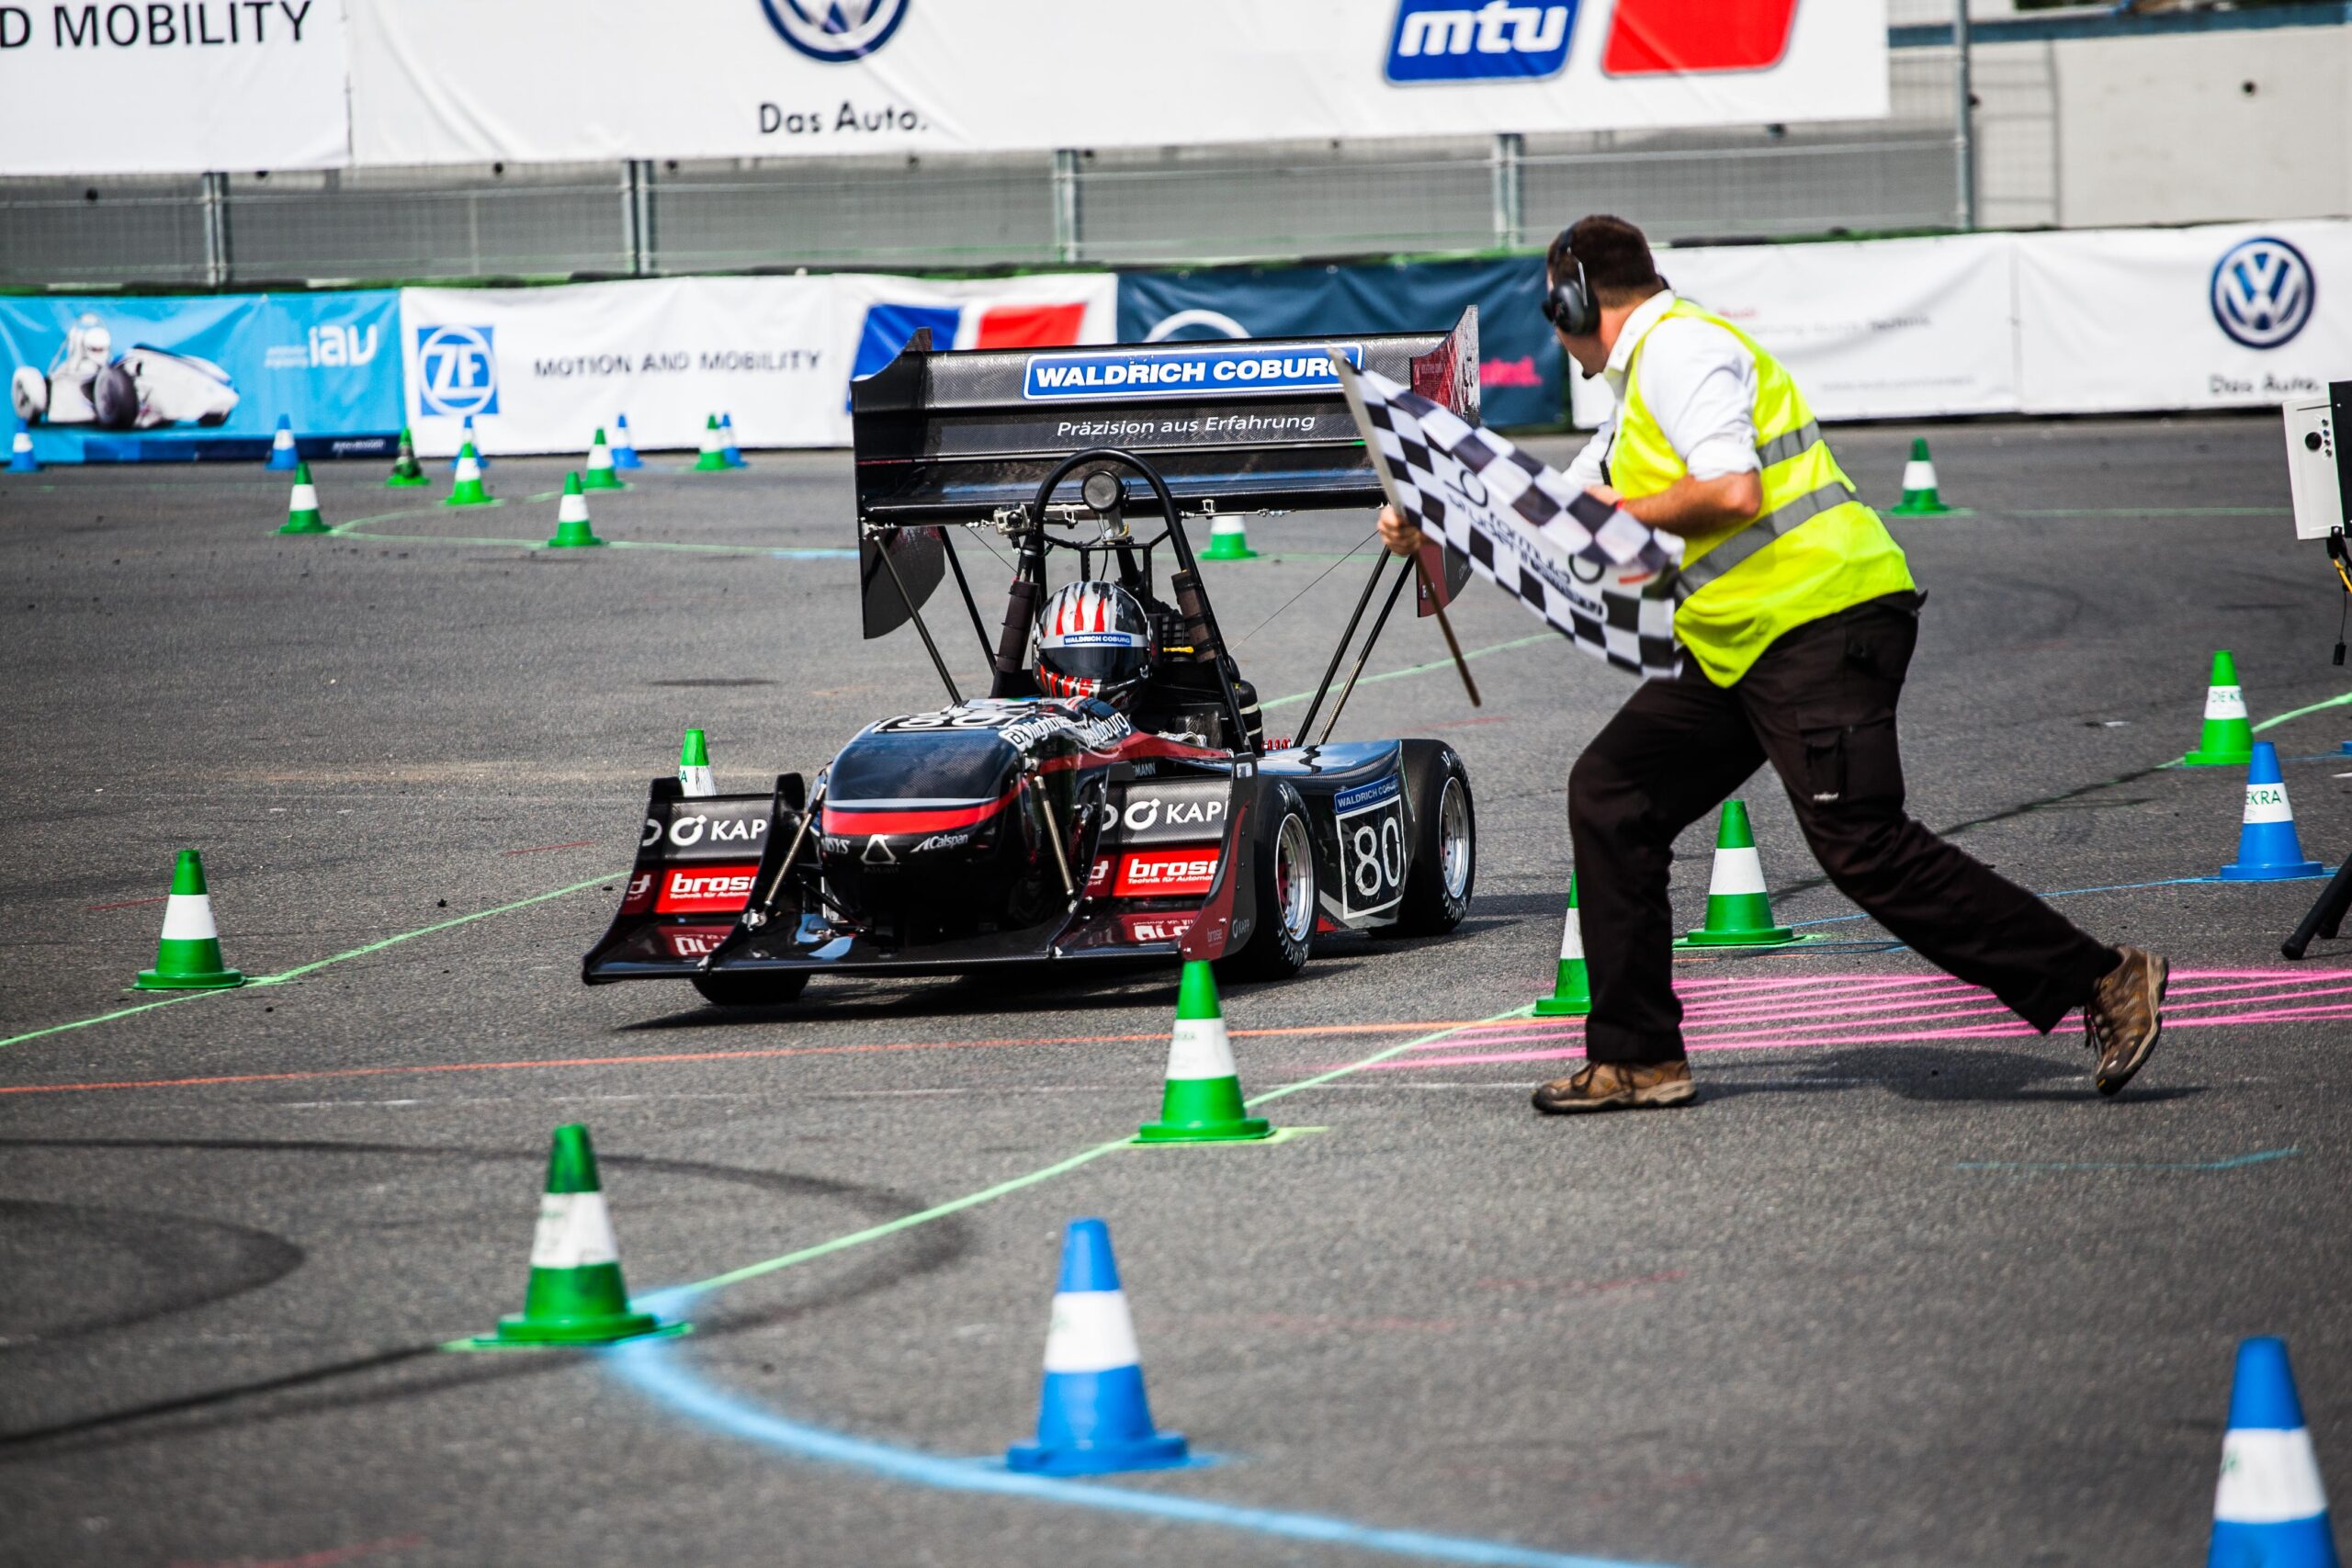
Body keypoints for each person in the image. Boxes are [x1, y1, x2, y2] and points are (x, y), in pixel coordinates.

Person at [1377, 214, 2168, 1113]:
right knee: (1613, 794)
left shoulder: (1682, 353)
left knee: (1862, 845)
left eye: (1553, 313)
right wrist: (1437, 518)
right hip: (1738, 643)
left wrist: (1616, 503)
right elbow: (1559, 508)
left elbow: (1731, 489)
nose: (1555, 335)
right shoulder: (1640, 388)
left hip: (1820, 621)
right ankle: (1637, 1057)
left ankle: (2101, 978)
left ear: (1574, 301)